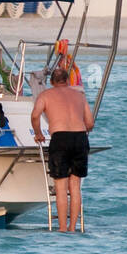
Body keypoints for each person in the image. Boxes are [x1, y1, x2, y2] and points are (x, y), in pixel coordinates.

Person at [31, 64, 94, 233]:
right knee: (75, 186)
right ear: (67, 80)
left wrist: (38, 133)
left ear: (51, 82)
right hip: (80, 138)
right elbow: (90, 123)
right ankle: (73, 228)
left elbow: (35, 115)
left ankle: (62, 229)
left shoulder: (45, 95)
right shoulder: (79, 96)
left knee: (60, 187)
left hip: (60, 138)